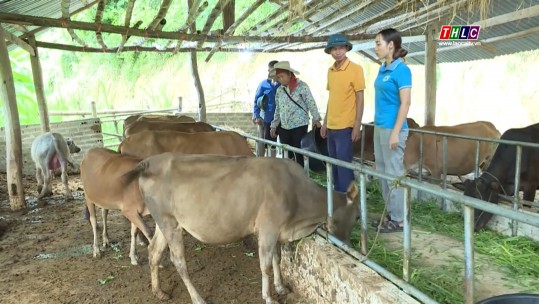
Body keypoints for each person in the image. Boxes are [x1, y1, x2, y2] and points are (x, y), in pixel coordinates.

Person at [371, 28, 412, 233]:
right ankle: (391, 214)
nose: (375, 47)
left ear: (391, 45)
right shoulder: (382, 68)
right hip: (380, 127)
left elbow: (405, 103)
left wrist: (396, 132)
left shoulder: (402, 70)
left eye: (378, 43)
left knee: (394, 172)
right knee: (383, 173)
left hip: (393, 129)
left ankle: (400, 220)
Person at [320, 33, 365, 193]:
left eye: (340, 48)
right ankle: (338, 199)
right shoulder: (330, 71)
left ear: (346, 48)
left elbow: (360, 97)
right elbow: (331, 98)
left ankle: (350, 203)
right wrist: (325, 123)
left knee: (344, 165)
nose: (337, 52)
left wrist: (357, 125)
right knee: (334, 165)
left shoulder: (355, 69)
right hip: (331, 126)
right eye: (334, 49)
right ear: (330, 51)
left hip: (346, 126)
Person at [269, 61, 322, 168]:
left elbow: (311, 103)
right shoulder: (280, 90)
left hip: (299, 126)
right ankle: (289, 174)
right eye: (278, 78)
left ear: (290, 74)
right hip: (284, 126)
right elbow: (278, 109)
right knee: (287, 153)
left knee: (299, 152)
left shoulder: (302, 86)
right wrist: (274, 125)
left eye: (282, 76)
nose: (281, 79)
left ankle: (300, 175)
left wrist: (316, 119)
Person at [252, 60, 280, 156]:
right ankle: (261, 162)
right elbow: (256, 100)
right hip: (265, 118)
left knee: (275, 144)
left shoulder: (283, 84)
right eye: (270, 71)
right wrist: (256, 115)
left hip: (281, 119)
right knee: (263, 142)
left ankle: (273, 163)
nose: (271, 73)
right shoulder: (263, 84)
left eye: (274, 71)